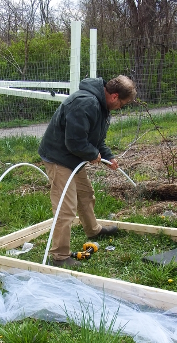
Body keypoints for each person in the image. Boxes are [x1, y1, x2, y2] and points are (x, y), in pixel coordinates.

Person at [38, 75, 137, 267]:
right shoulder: (85, 103)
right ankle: (59, 256)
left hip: (73, 158)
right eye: (122, 104)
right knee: (66, 208)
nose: (120, 108)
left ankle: (93, 230)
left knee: (85, 194)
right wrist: (92, 154)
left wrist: (108, 157)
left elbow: (96, 139)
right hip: (59, 157)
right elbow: (74, 141)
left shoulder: (102, 106)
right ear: (115, 96)